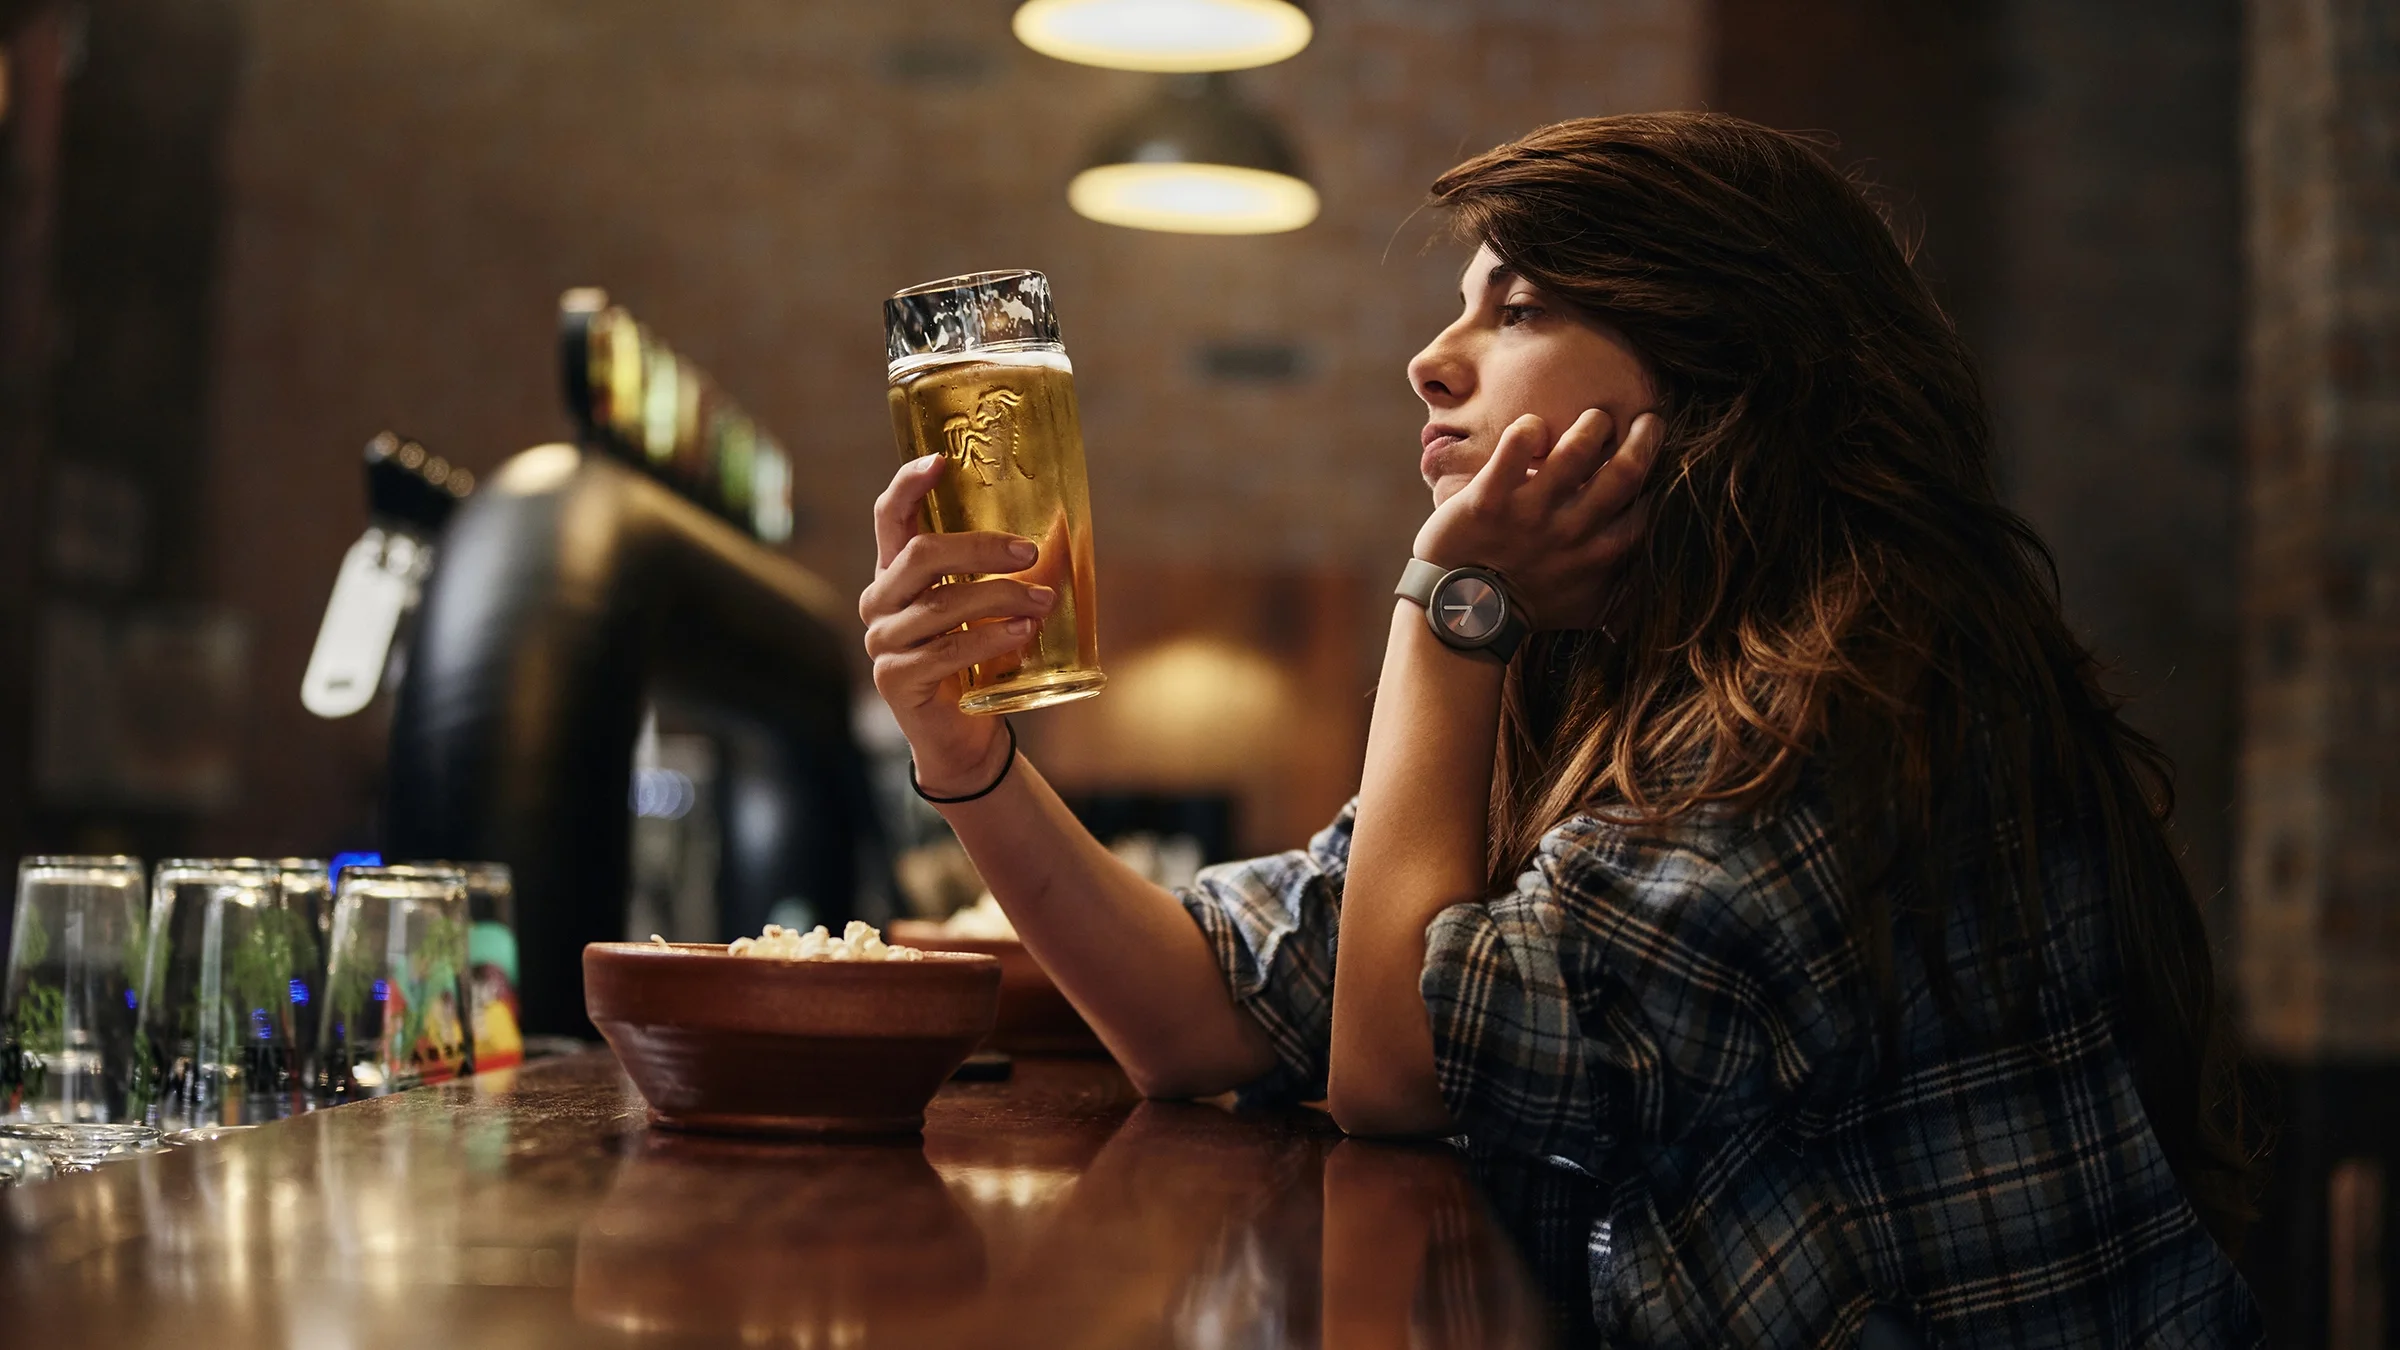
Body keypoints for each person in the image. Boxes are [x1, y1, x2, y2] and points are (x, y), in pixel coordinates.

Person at [857, 112, 2263, 1346]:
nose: (1430, 360)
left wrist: (1442, 609)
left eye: (1517, 310)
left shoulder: (1854, 702)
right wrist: (966, 756)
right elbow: (1199, 1013)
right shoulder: (1602, 671)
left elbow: (1393, 1066)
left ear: (1714, 374)